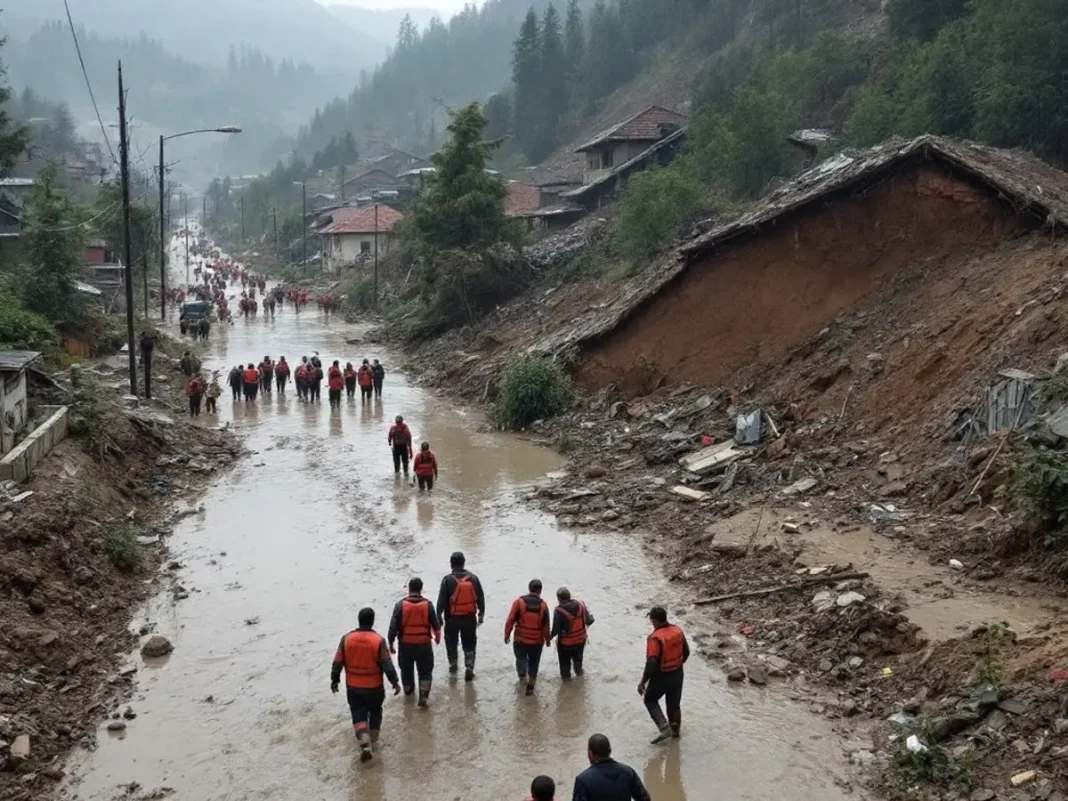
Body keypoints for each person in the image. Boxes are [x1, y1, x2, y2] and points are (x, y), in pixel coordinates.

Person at [330, 607, 401, 763]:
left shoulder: (347, 639)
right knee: (375, 711)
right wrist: (395, 682)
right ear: (372, 621)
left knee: (358, 713)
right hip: (374, 687)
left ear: (359, 620)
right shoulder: (378, 641)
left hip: (353, 687)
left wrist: (334, 679)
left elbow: (337, 661)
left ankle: (364, 742)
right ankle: (374, 741)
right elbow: (387, 664)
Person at [387, 577, 441, 707]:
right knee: (425, 671)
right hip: (424, 644)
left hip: (405, 645)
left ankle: (408, 690)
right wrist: (437, 638)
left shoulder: (400, 605)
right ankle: (423, 695)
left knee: (406, 670)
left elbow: (393, 627)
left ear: (409, 589)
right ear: (421, 589)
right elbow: (436, 625)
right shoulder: (428, 605)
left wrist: (391, 643)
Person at [639, 606, 690, 744]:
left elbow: (651, 663)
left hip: (662, 675)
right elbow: (686, 652)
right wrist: (677, 664)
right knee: (674, 705)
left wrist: (643, 681)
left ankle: (664, 727)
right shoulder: (677, 631)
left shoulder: (655, 638)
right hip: (678, 673)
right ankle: (676, 734)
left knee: (649, 700)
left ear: (654, 621)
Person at [436, 551, 485, 681]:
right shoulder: (473, 579)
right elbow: (480, 597)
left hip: (452, 619)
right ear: (464, 563)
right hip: (469, 618)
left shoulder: (447, 580)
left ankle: (453, 664)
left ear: (451, 564)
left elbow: (441, 600)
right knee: (469, 643)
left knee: (451, 642)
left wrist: (439, 616)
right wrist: (481, 614)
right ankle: (469, 666)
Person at [504, 579, 551, 696]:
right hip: (537, 641)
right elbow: (546, 626)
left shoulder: (518, 602)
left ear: (529, 588)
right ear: (540, 590)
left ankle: (522, 679)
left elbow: (510, 620)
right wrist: (548, 640)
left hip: (520, 640)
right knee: (534, 662)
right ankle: (531, 683)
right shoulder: (544, 605)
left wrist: (507, 634)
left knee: (520, 659)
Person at [572, 734, 650, 801]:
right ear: (610, 751)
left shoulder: (583, 780)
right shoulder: (628, 772)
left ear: (590, 753)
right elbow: (644, 799)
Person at [551, 587, 594, 680]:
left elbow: (555, 631)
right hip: (580, 642)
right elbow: (589, 621)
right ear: (570, 596)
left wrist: (546, 638)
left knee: (565, 670)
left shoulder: (559, 612)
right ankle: (581, 684)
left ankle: (567, 689)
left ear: (559, 599)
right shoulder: (581, 605)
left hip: (565, 646)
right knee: (578, 668)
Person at [139, 330, 155, 400]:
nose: (147, 335)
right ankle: (147, 395)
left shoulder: (149, 339)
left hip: (148, 352)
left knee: (148, 361)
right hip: (145, 352)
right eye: (145, 334)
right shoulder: (143, 340)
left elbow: (151, 346)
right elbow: (142, 347)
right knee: (145, 359)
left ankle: (148, 395)